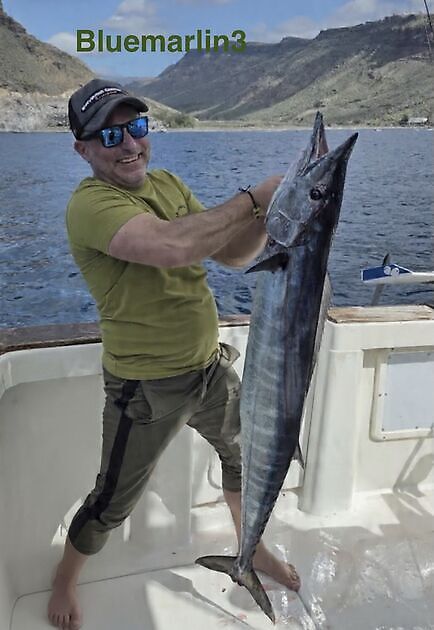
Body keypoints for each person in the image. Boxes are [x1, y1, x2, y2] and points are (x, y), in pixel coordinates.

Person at [48, 79, 300, 630]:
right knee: (113, 500)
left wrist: (266, 215)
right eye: (110, 136)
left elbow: (232, 254)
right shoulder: (90, 204)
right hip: (146, 386)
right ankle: (64, 577)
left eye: (136, 128)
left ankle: (252, 549)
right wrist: (252, 198)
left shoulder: (167, 183)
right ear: (82, 149)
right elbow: (172, 246)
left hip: (210, 368)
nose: (129, 144)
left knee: (244, 459)